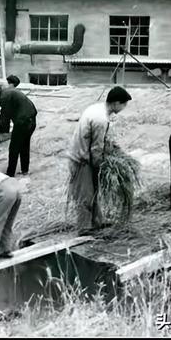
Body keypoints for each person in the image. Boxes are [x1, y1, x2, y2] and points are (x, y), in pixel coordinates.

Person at [66, 86, 132, 233]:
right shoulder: (100, 119)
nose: (124, 107)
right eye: (124, 104)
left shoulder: (97, 108)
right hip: (81, 159)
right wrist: (101, 166)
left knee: (94, 190)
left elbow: (100, 140)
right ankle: (84, 228)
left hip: (83, 154)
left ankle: (97, 221)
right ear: (116, 103)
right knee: (86, 194)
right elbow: (96, 148)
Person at [0, 85, 38, 177]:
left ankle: (10, 174)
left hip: (23, 121)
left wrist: (3, 133)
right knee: (24, 145)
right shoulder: (11, 92)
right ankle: (25, 170)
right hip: (32, 120)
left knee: (14, 148)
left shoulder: (4, 95)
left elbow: (5, 115)